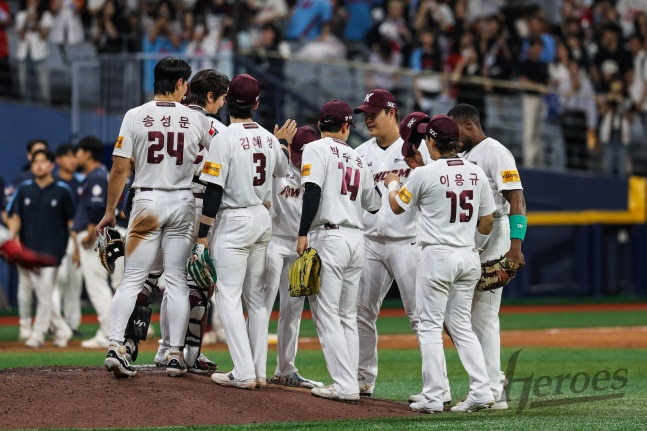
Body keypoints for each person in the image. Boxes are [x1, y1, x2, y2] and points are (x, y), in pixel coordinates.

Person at [96, 57, 215, 378]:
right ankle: (175, 354)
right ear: (180, 84)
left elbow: (120, 168)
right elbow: (218, 154)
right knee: (176, 281)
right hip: (183, 202)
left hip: (147, 200)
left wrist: (110, 211)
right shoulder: (196, 120)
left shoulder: (135, 115)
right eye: (185, 82)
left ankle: (115, 346)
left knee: (133, 279)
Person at [384, 114, 496, 413]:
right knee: (462, 326)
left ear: (431, 141)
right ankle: (482, 391)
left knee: (430, 327)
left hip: (437, 256)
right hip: (468, 255)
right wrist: (477, 248)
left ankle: (434, 395)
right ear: (457, 141)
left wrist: (393, 184)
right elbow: (487, 220)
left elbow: (396, 207)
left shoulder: (424, 174)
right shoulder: (476, 172)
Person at [197, 74, 289, 389]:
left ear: (227, 100)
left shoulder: (224, 137)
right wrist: (283, 143)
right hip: (262, 220)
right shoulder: (267, 137)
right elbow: (282, 167)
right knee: (258, 299)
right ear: (256, 103)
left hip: (233, 220)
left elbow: (212, 189)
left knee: (229, 296)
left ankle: (244, 371)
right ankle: (258, 371)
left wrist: (201, 233)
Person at [296, 99, 382, 402]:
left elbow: (313, 190)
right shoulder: (359, 158)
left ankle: (344, 383)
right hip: (357, 239)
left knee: (326, 313)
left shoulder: (315, 148)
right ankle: (351, 380)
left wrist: (302, 232)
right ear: (346, 127)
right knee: (346, 314)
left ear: (321, 125)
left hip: (328, 237)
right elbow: (375, 203)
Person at [447, 103, 527, 410]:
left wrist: (516, 245)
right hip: (474, 237)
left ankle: (493, 390)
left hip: (498, 233)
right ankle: (491, 381)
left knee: (484, 314)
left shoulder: (495, 152)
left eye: (456, 131)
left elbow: (516, 198)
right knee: (459, 317)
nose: (453, 137)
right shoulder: (465, 156)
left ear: (469, 125)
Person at [151, 68, 229, 374]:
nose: (222, 104)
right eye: (221, 98)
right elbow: (224, 178)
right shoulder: (215, 129)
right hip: (200, 204)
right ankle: (185, 352)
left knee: (173, 281)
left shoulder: (171, 120)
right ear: (210, 96)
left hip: (163, 200)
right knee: (195, 283)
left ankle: (167, 347)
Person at [352, 90, 421, 398]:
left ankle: (436, 387)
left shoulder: (416, 150)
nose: (367, 118)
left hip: (409, 241)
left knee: (421, 317)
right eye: (365, 113)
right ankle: (362, 379)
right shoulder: (360, 153)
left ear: (392, 113)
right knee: (360, 313)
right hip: (370, 242)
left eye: (374, 113)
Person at [264, 126, 324, 389]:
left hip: (300, 247)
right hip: (273, 241)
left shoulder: (320, 170)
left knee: (293, 311)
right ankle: (251, 367)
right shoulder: (280, 167)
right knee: (261, 306)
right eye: (298, 153)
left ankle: (286, 369)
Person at [6, 149, 75, 348]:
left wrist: (74, 249)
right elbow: (15, 216)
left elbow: (71, 222)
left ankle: (38, 335)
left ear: (52, 165)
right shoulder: (24, 189)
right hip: (29, 251)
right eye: (36, 161)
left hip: (53, 251)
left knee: (44, 292)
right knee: (43, 294)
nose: (39, 165)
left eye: (44, 161)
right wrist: (13, 238)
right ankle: (62, 329)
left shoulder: (62, 190)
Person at [71, 137, 115, 349]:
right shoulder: (97, 175)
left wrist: (89, 235)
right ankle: (109, 332)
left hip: (92, 237)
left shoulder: (97, 175)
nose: (76, 155)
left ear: (88, 153)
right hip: (94, 236)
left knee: (97, 287)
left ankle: (107, 333)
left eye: (78, 151)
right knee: (99, 286)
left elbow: (97, 208)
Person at [54, 144, 84, 335]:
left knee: (75, 283)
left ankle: (72, 325)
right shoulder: (53, 182)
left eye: (75, 156)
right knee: (57, 282)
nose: (73, 160)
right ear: (59, 160)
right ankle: (55, 324)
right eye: (68, 156)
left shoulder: (81, 183)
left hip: (77, 239)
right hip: (57, 238)